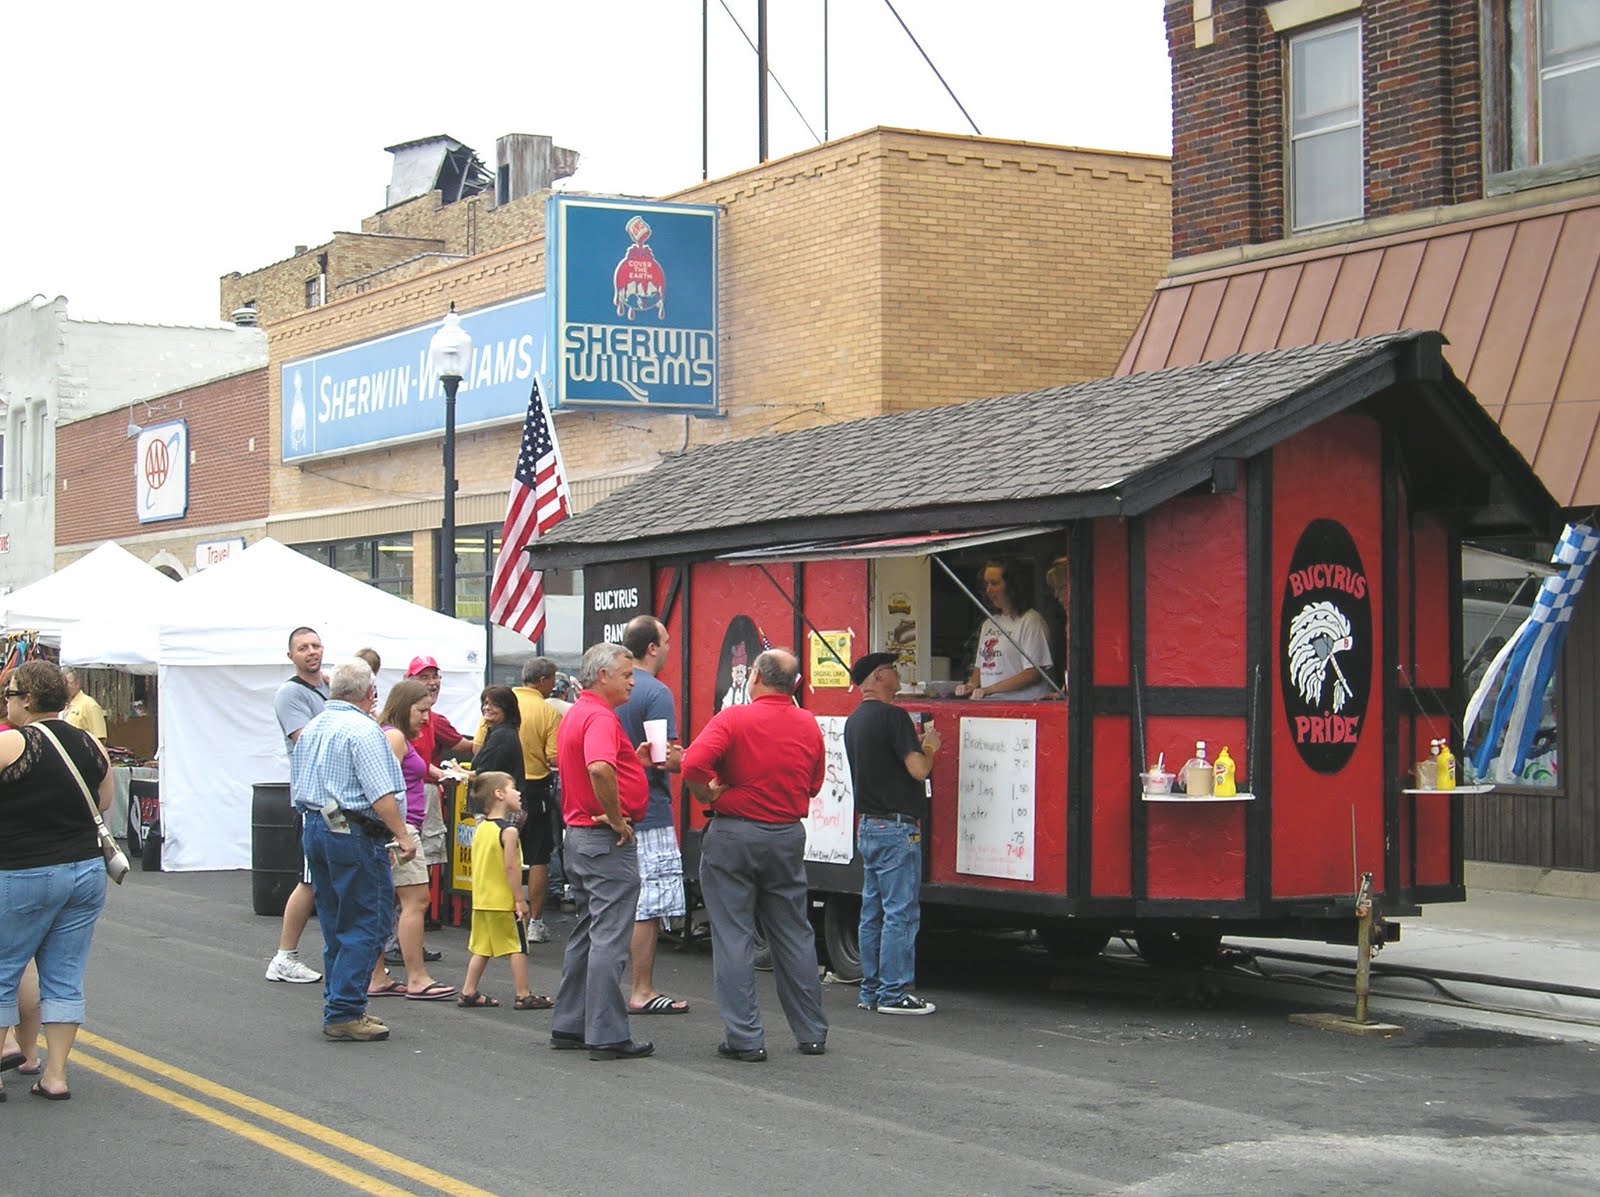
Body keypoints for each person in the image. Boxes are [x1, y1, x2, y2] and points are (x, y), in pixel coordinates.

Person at [681, 648, 829, 1062]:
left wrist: (706, 793)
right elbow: (814, 786)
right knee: (793, 932)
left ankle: (746, 1037)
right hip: (785, 835)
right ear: (795, 685)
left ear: (756, 678)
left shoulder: (733, 718)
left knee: (733, 935)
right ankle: (811, 1032)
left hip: (733, 834)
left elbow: (693, 763)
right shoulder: (807, 724)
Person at [0, 660, 115, 1100]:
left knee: (5, 967)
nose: (7, 701)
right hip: (85, 869)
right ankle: (56, 1075)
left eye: (10, 694)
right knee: (65, 974)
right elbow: (104, 802)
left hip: (24, 868)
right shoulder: (89, 743)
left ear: (27, 698)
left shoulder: (12, 744)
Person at [291, 660, 416, 1043]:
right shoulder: (363, 730)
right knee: (369, 919)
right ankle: (345, 1008)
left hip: (317, 823)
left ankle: (340, 1001)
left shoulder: (314, 726)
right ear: (369, 694)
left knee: (335, 918)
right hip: (353, 830)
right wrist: (403, 835)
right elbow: (380, 793)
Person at [549, 642, 654, 1062]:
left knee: (587, 931)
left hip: (578, 836)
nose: (633, 680)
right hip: (603, 841)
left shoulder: (579, 712)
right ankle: (606, 1033)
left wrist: (634, 765)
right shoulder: (599, 716)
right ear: (603, 675)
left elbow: (594, 766)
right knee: (610, 935)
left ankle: (570, 1022)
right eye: (627, 674)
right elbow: (597, 767)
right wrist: (616, 817)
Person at [845, 651, 940, 1015]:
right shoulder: (895, 718)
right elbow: (918, 770)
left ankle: (870, 991)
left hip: (868, 825)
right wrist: (930, 745)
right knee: (901, 912)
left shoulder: (854, 721)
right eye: (893, 670)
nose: (897, 675)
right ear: (880, 677)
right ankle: (894, 993)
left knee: (872, 911)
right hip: (897, 828)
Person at [616, 616, 690, 1016]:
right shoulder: (657, 692)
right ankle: (642, 989)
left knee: (615, 902)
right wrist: (696, 761)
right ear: (653, 648)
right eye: (666, 640)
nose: (669, 647)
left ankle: (608, 986)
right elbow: (662, 758)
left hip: (609, 810)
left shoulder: (606, 692)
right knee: (649, 904)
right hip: (649, 810)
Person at [369, 680, 454, 1002]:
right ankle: (416, 977)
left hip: (401, 826)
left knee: (387, 903)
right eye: (421, 710)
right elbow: (381, 784)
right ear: (405, 707)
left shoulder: (395, 736)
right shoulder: (394, 737)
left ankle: (377, 976)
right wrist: (399, 833)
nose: (426, 717)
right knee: (416, 900)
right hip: (402, 828)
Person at [473, 658, 562, 943]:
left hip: (497, 791)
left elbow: (477, 747)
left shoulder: (494, 713)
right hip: (534, 788)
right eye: (552, 680)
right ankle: (534, 921)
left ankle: (498, 914)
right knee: (537, 856)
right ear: (544, 680)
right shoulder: (547, 712)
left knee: (499, 853)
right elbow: (553, 756)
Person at [459, 771, 552, 1010]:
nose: (519, 793)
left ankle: (468, 990)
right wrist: (520, 900)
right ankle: (523, 993)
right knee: (518, 946)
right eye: (513, 788)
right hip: (503, 901)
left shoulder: (482, 828)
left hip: (482, 900)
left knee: (482, 947)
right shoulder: (508, 832)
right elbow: (511, 867)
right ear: (500, 794)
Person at [266, 626, 328, 985]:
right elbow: (304, 740)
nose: (311, 652)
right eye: (303, 647)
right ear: (290, 655)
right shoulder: (290, 694)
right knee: (309, 880)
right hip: (311, 800)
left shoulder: (328, 688)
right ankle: (284, 956)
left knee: (325, 880)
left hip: (333, 798)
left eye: (316, 645)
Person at [955, 559, 1053, 701]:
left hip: (1023, 706)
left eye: (994, 583)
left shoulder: (1031, 621)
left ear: (1012, 586)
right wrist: (971, 685)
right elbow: (980, 667)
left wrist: (988, 690)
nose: (988, 589)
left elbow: (1034, 673)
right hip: (992, 704)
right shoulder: (989, 623)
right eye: (986, 584)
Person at [60, 669, 107, 743]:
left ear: (77, 684)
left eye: (68, 683)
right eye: (62, 684)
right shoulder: (63, 706)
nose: (64, 687)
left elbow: (100, 738)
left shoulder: (90, 704)